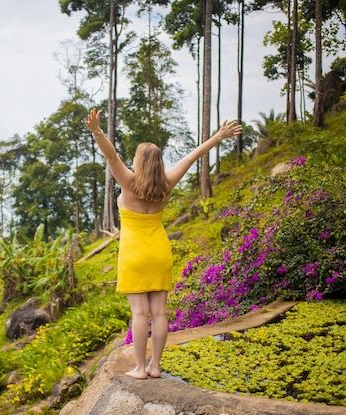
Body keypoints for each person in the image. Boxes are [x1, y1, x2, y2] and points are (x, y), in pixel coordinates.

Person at [85, 108, 242, 379]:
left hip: (135, 254)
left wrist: (97, 130)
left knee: (139, 313)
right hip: (159, 252)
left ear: (139, 162)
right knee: (158, 313)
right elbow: (192, 156)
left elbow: (110, 155)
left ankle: (139, 368)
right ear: (158, 164)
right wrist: (218, 137)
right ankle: (155, 366)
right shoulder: (167, 184)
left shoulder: (129, 182)